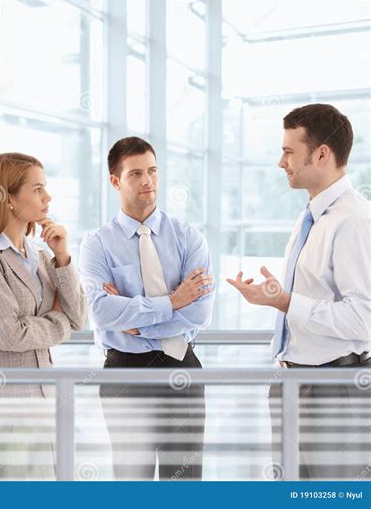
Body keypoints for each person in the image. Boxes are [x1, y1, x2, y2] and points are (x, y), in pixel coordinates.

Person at [227, 104, 370, 479]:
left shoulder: (354, 221)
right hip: (293, 383)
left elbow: (364, 319)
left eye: (289, 151)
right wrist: (276, 295)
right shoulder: (311, 216)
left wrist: (288, 302)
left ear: (322, 153)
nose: (281, 162)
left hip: (334, 392)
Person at [79, 137, 215, 480]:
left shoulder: (189, 238)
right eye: (136, 173)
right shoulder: (97, 244)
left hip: (181, 367)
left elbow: (199, 312)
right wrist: (171, 302)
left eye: (153, 171)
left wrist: (137, 324)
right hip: (126, 373)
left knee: (183, 483)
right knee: (131, 482)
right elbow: (101, 312)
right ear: (115, 181)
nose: (147, 181)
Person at [0, 152, 87, 479]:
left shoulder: (41, 255)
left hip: (45, 404)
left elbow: (80, 318)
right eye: (38, 189)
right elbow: (9, 334)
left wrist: (62, 256)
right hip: (3, 406)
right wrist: (58, 322)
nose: (48, 197)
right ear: (8, 198)